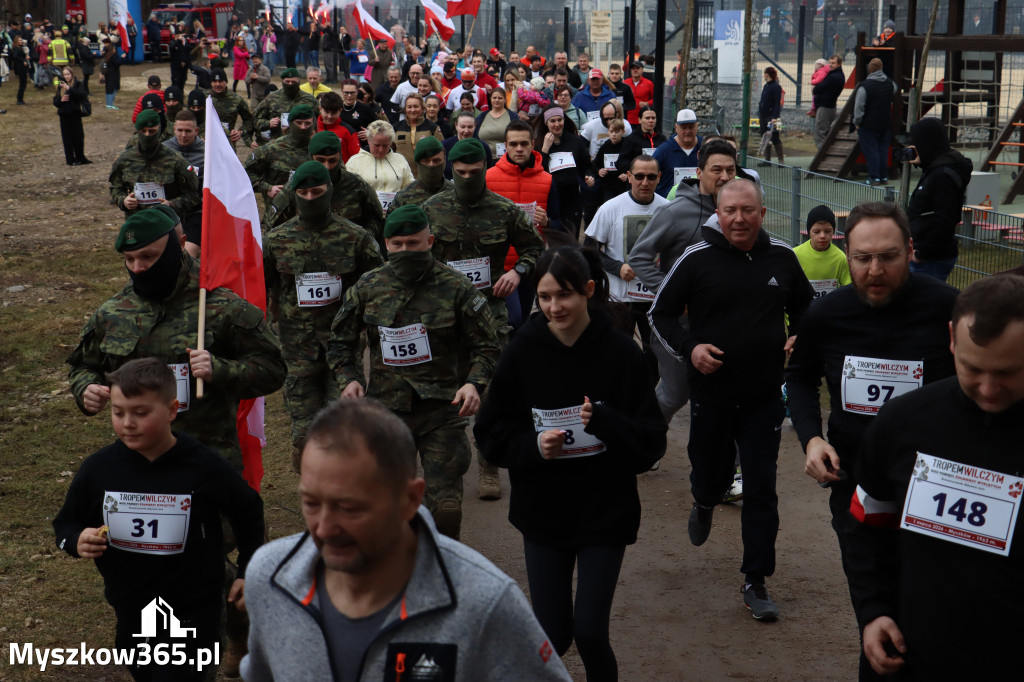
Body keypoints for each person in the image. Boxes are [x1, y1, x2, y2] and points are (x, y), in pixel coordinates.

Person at [240, 398, 572, 681]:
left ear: (410, 498)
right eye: (311, 503)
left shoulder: (486, 603)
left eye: (350, 507)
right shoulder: (270, 580)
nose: (324, 529)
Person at [474, 244, 667, 681]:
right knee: (553, 635)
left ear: (589, 291)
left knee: (591, 633)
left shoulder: (622, 355)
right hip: (544, 513)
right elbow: (490, 433)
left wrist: (607, 422)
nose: (554, 307)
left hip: (605, 510)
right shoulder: (522, 351)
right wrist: (533, 447)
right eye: (544, 297)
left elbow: (651, 442)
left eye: (565, 295)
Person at [784, 201, 957, 680]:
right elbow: (798, 378)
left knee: (922, 606)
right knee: (876, 604)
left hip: (932, 489)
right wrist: (812, 439)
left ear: (911, 252)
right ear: (847, 253)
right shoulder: (826, 314)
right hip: (856, 482)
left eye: (889, 256)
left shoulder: (948, 309)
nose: (875, 270)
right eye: (862, 258)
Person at [843, 274, 1024, 680]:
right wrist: (873, 611)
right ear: (951, 340)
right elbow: (866, 527)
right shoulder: (904, 421)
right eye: (972, 368)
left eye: (1009, 372)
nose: (989, 388)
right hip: (911, 657)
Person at [648, 178, 814, 621]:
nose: (738, 219)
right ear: (717, 215)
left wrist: (800, 334)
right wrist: (691, 350)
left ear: (762, 213)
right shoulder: (696, 258)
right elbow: (658, 313)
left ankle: (755, 580)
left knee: (761, 489)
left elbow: (807, 308)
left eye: (748, 210)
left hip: (763, 398)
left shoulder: (782, 257)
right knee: (711, 476)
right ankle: (704, 500)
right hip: (713, 396)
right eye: (730, 211)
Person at [53, 357, 265, 682]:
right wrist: (77, 539)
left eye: (141, 413)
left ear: (171, 410)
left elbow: (248, 509)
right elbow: (65, 525)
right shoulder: (98, 470)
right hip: (132, 607)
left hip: (195, 607)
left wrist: (248, 570)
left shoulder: (204, 466)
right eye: (118, 412)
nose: (128, 423)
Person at [328, 206, 500, 538]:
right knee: (392, 508)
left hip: (443, 411)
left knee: (445, 512)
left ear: (430, 241)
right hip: (388, 413)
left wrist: (473, 383)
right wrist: (348, 378)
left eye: (413, 243)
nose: (405, 251)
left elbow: (487, 346)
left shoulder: (456, 287)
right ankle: (400, 578)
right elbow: (339, 341)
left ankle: (441, 575)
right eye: (397, 244)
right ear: (386, 245)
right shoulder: (368, 287)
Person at [422, 138, 545, 499]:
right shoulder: (433, 208)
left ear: (485, 169)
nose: (467, 178)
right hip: (443, 313)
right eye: (460, 173)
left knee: (490, 392)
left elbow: (534, 247)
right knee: (447, 390)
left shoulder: (504, 210)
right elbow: (412, 254)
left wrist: (518, 272)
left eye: (475, 172)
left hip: (490, 311)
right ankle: (446, 467)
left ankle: (488, 464)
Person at [264, 161, 383, 469]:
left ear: (329, 192)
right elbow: (263, 288)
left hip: (341, 346)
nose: (310, 198)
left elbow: (378, 291)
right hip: (295, 346)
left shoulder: (357, 239)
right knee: (304, 431)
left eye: (317, 192)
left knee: (342, 424)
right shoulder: (276, 241)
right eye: (302, 193)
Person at [583, 154, 669, 379]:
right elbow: (589, 252)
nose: (645, 182)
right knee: (617, 354)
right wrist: (617, 267)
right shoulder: (610, 208)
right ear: (629, 177)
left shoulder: (668, 210)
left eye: (651, 177)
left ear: (659, 178)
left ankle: (645, 402)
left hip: (654, 296)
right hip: (620, 296)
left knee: (655, 357)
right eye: (639, 176)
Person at [486, 119, 563, 326]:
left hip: (531, 264)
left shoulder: (546, 180)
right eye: (513, 144)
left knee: (523, 321)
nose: (519, 149)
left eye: (524, 144)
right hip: (498, 265)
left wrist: (547, 221)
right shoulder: (489, 177)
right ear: (505, 146)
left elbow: (559, 225)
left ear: (532, 145)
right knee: (512, 319)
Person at [267, 131, 385, 246]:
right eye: (320, 160)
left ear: (340, 157)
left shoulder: (357, 185)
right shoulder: (296, 187)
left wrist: (361, 240)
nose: (327, 167)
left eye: (332, 160)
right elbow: (273, 230)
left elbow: (376, 219)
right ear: (310, 157)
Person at [905, 117, 973, 282]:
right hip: (927, 251)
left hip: (931, 257)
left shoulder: (943, 176)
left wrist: (922, 253)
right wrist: (923, 163)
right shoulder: (939, 168)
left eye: (918, 144)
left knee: (923, 302)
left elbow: (945, 219)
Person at [108, 109, 200, 219]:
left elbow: (193, 195)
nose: (147, 135)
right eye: (143, 131)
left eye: (152, 131)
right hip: (136, 222)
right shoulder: (125, 160)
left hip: (167, 223)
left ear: (159, 130)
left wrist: (171, 204)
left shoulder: (175, 159)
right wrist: (123, 201)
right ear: (137, 131)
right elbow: (116, 188)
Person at [244, 104, 315, 225]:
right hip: (276, 218)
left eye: (307, 123)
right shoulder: (271, 149)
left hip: (309, 219)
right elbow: (245, 173)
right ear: (290, 123)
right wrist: (267, 188)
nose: (303, 127)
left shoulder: (318, 150)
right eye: (299, 123)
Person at [536, 106, 590, 237]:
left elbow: (586, 165)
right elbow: (537, 170)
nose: (556, 124)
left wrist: (589, 176)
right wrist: (545, 150)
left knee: (572, 237)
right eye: (552, 121)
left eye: (559, 120)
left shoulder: (575, 141)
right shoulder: (539, 143)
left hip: (572, 197)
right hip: (551, 197)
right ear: (546, 123)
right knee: (555, 237)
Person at [346, 120, 415, 211]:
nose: (381, 150)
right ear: (369, 141)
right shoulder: (354, 162)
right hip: (368, 215)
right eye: (377, 145)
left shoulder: (400, 160)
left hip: (395, 213)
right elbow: (348, 192)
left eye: (385, 146)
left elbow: (409, 186)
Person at [162, 110, 204, 258]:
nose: (183, 135)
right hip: (168, 211)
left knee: (186, 257)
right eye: (180, 130)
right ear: (174, 129)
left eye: (188, 131)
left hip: (196, 212)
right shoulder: (163, 150)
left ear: (196, 131)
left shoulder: (208, 153)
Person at [792, 205, 852, 299]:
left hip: (829, 311)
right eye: (816, 232)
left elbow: (849, 288)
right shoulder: (795, 255)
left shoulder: (840, 257)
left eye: (828, 231)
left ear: (833, 231)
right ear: (809, 232)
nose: (822, 236)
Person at [852, 58, 896, 185]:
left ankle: (874, 177)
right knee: (883, 150)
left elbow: (859, 107)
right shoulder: (889, 84)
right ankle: (883, 177)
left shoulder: (865, 86)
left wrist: (857, 121)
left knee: (871, 151)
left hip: (868, 124)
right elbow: (895, 89)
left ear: (870, 70)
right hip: (885, 123)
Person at [252, 68, 318, 146]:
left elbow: (319, 120)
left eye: (293, 82)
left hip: (303, 145)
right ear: (282, 82)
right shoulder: (271, 98)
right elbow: (254, 120)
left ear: (299, 82)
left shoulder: (310, 100)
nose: (290, 84)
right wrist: (268, 123)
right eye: (287, 82)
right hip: (278, 145)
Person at [391, 136, 454, 210]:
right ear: (418, 163)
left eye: (436, 161)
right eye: (426, 161)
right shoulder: (404, 197)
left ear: (444, 161)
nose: (431, 165)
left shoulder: (455, 193)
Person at [654, 108, 702, 197]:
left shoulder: (705, 147)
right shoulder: (663, 151)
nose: (687, 131)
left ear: (697, 126)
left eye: (691, 127)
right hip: (670, 203)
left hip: (699, 203)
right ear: (676, 128)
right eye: (683, 127)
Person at [393, 93, 444, 178]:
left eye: (416, 106)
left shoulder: (432, 128)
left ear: (422, 108)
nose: (412, 110)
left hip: (427, 176)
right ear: (405, 109)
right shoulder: (396, 128)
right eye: (409, 107)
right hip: (402, 176)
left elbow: (441, 151)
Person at [53, 65, 90, 166]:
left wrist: (69, 88)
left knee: (79, 137)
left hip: (75, 114)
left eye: (68, 74)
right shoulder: (60, 86)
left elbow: (82, 94)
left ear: (72, 74)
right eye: (64, 75)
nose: (66, 76)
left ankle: (81, 157)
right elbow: (55, 102)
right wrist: (61, 100)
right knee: (67, 139)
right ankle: (70, 159)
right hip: (64, 115)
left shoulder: (78, 84)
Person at [209, 67, 255, 147]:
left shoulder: (236, 99)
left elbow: (249, 120)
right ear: (211, 83)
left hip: (227, 144)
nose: (217, 84)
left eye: (220, 81)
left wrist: (240, 132)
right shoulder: (205, 98)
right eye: (214, 81)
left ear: (226, 82)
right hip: (207, 144)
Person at [315, 92, 360, 162]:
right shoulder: (311, 128)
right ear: (320, 109)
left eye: (333, 113)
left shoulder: (348, 131)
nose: (329, 116)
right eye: (326, 112)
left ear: (340, 111)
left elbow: (356, 159)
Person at [475, 87, 517, 160]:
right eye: (494, 98)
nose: (496, 100)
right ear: (490, 99)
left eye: (500, 98)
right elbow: (475, 137)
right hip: (483, 159)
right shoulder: (482, 116)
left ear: (505, 100)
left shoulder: (513, 116)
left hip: (506, 159)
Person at [813, 55, 845, 150]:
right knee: (825, 132)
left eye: (833, 63)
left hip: (825, 106)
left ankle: (821, 156)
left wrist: (816, 88)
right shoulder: (838, 75)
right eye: (830, 63)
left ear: (839, 64)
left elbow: (818, 89)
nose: (830, 65)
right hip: (830, 106)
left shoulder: (832, 77)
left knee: (820, 134)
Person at [757, 67, 784, 164]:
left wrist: (774, 117)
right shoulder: (766, 86)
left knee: (775, 136)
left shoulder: (776, 87)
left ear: (767, 74)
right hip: (764, 116)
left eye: (764, 74)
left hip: (772, 117)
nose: (764, 76)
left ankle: (781, 160)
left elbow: (777, 103)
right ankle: (767, 160)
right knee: (765, 136)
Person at [625, 61, 653, 125]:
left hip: (643, 120)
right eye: (633, 68)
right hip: (627, 120)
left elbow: (655, 99)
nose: (635, 70)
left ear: (642, 70)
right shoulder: (625, 83)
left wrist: (647, 103)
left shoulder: (649, 83)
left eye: (637, 68)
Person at [99, 37, 121, 109]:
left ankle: (109, 103)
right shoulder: (112, 57)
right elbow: (117, 63)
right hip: (113, 74)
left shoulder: (107, 56)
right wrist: (123, 58)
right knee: (112, 88)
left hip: (108, 74)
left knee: (109, 88)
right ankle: (110, 104)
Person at [11, 35, 29, 105]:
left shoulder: (20, 48)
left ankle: (20, 99)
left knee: (23, 84)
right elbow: (15, 56)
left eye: (21, 40)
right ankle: (19, 99)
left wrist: (25, 58)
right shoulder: (16, 48)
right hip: (20, 68)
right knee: (22, 84)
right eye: (20, 40)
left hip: (22, 67)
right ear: (16, 41)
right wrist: (23, 60)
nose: (21, 41)